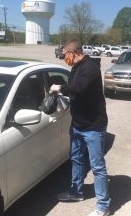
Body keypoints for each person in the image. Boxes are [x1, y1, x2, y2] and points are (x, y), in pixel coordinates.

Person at [50, 39, 111, 216]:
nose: (64, 59)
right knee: (76, 158)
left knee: (97, 167)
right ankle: (76, 192)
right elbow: (76, 94)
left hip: (93, 126)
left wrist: (59, 87)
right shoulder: (76, 67)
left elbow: (77, 89)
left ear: (72, 52)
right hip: (77, 124)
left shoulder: (90, 67)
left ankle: (103, 206)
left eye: (64, 55)